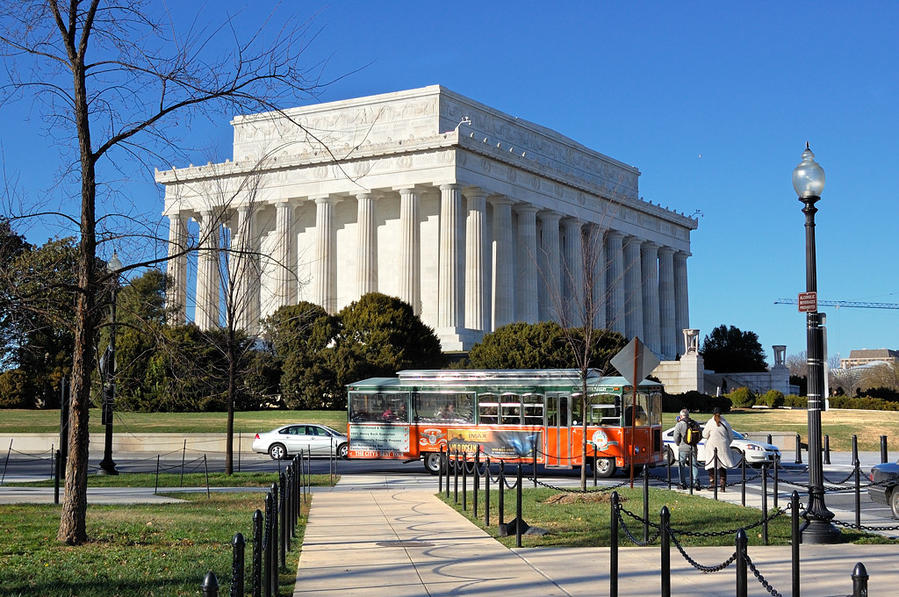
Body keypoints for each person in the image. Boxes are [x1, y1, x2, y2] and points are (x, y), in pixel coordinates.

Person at [702, 407, 736, 491]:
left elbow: (705, 435)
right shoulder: (725, 422)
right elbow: (731, 436)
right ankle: (723, 484)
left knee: (711, 466)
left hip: (712, 446)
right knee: (722, 466)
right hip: (723, 446)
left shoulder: (710, 422)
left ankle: (712, 484)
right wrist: (727, 443)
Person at [672, 408, 701, 490]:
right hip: (693, 447)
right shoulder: (694, 423)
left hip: (683, 448)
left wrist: (678, 444)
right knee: (694, 465)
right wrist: (695, 442)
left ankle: (682, 483)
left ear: (681, 416)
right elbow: (700, 435)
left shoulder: (679, 424)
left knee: (682, 466)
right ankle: (695, 482)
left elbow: (676, 436)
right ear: (688, 415)